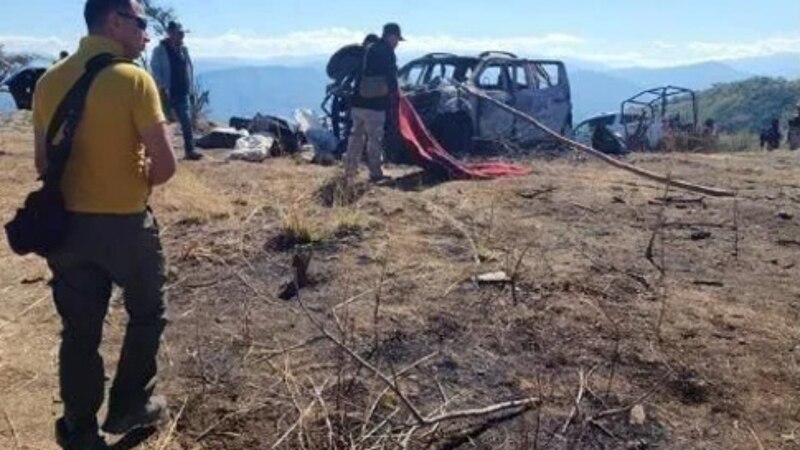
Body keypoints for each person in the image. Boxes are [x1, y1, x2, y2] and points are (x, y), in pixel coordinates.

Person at [32, 0, 177, 448]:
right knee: (147, 313)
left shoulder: (48, 80)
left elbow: (41, 163)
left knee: (79, 331)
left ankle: (79, 429)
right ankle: (130, 404)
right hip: (125, 227)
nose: (146, 35)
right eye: (140, 24)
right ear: (114, 22)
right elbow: (166, 165)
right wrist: (134, 183)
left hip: (67, 230)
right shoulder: (133, 79)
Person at [344, 23, 403, 182]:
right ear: (391, 36)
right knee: (374, 139)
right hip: (375, 104)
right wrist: (396, 95)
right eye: (397, 39)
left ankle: (350, 171)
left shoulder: (368, 48)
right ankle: (375, 173)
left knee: (355, 137)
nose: (397, 43)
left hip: (358, 101)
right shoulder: (387, 53)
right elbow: (391, 78)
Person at [150, 20, 201, 160]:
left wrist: (190, 88)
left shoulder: (183, 49)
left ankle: (190, 150)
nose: (182, 36)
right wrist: (162, 86)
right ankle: (157, 153)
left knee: (186, 121)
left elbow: (188, 68)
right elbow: (155, 69)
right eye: (179, 33)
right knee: (162, 122)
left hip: (182, 90)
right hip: (166, 92)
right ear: (170, 33)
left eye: (182, 33)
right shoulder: (160, 50)